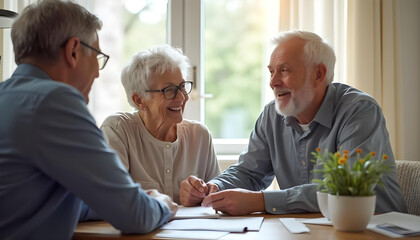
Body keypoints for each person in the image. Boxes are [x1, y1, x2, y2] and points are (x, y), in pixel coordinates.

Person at [0, 1, 177, 239]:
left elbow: (48, 198)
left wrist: (117, 201)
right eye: (96, 55)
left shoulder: (7, 96)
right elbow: (135, 216)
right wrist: (162, 204)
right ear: (73, 50)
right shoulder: (55, 102)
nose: (97, 71)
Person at [179, 30, 407, 215]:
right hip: (307, 230)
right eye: (271, 72)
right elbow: (249, 172)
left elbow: (345, 190)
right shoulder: (272, 115)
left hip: (373, 230)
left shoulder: (359, 111)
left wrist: (260, 201)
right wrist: (214, 187)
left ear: (319, 74)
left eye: (284, 70)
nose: (273, 82)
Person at [100, 45, 221, 204]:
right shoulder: (117, 130)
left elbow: (216, 199)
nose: (182, 97)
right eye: (169, 90)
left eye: (182, 87)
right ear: (139, 100)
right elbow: (113, 199)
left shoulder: (200, 135)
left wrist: (205, 193)